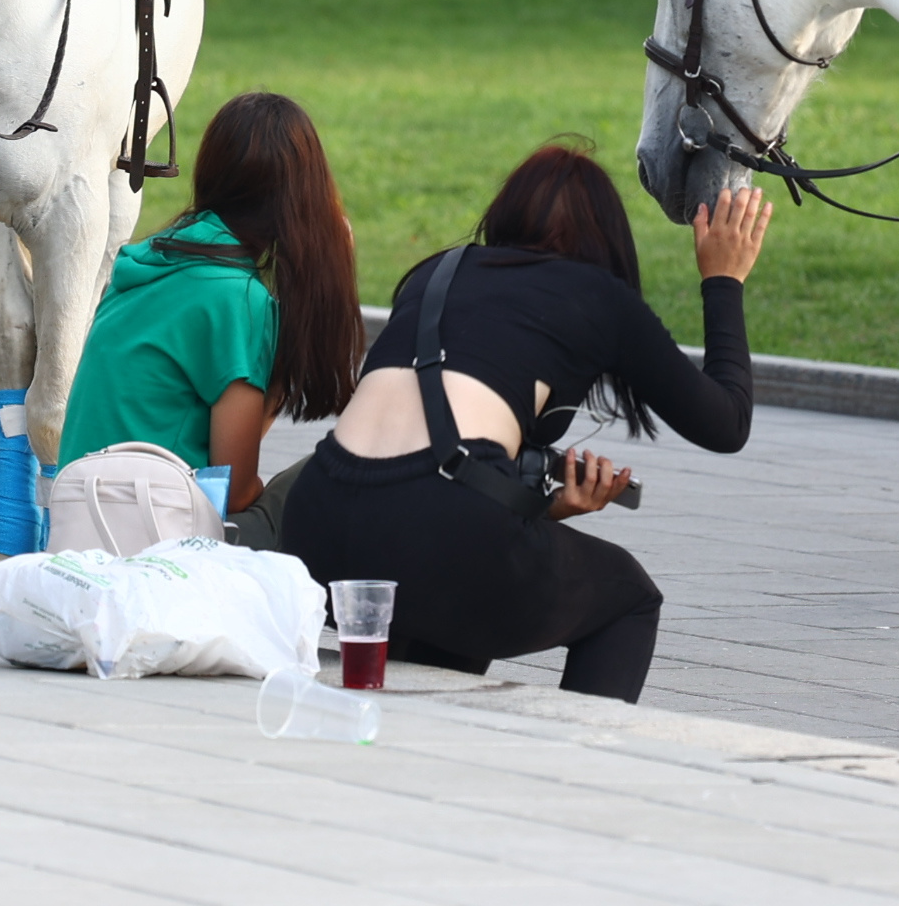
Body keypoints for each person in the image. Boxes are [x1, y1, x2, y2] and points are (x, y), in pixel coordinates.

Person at [281, 144, 769, 703]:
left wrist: (547, 508)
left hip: (317, 529)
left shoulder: (434, 273)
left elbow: (429, 457)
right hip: (439, 533)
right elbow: (726, 424)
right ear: (606, 240)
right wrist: (723, 280)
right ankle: (570, 773)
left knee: (461, 588)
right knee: (628, 597)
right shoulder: (596, 294)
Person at [58, 94, 362, 550]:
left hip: (80, 535)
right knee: (336, 473)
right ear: (304, 195)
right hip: (155, 543)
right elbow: (234, 490)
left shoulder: (150, 264)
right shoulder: (236, 298)